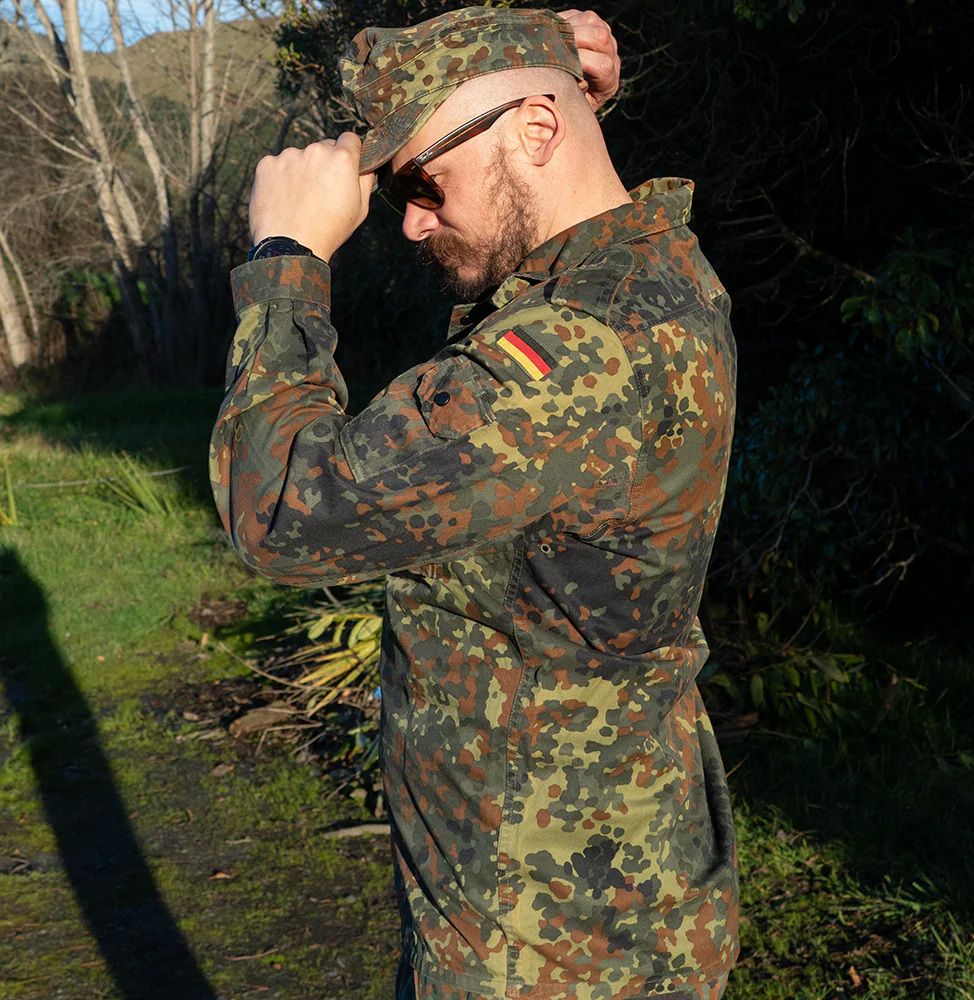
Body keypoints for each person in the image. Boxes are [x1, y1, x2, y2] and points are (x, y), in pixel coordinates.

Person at [210, 6, 739, 999]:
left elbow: (278, 508)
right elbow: (553, 208)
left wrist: (285, 261)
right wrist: (562, 86)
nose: (408, 222)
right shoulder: (647, 267)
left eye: (421, 184)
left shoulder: (577, 357)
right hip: (601, 889)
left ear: (537, 131)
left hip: (546, 943)